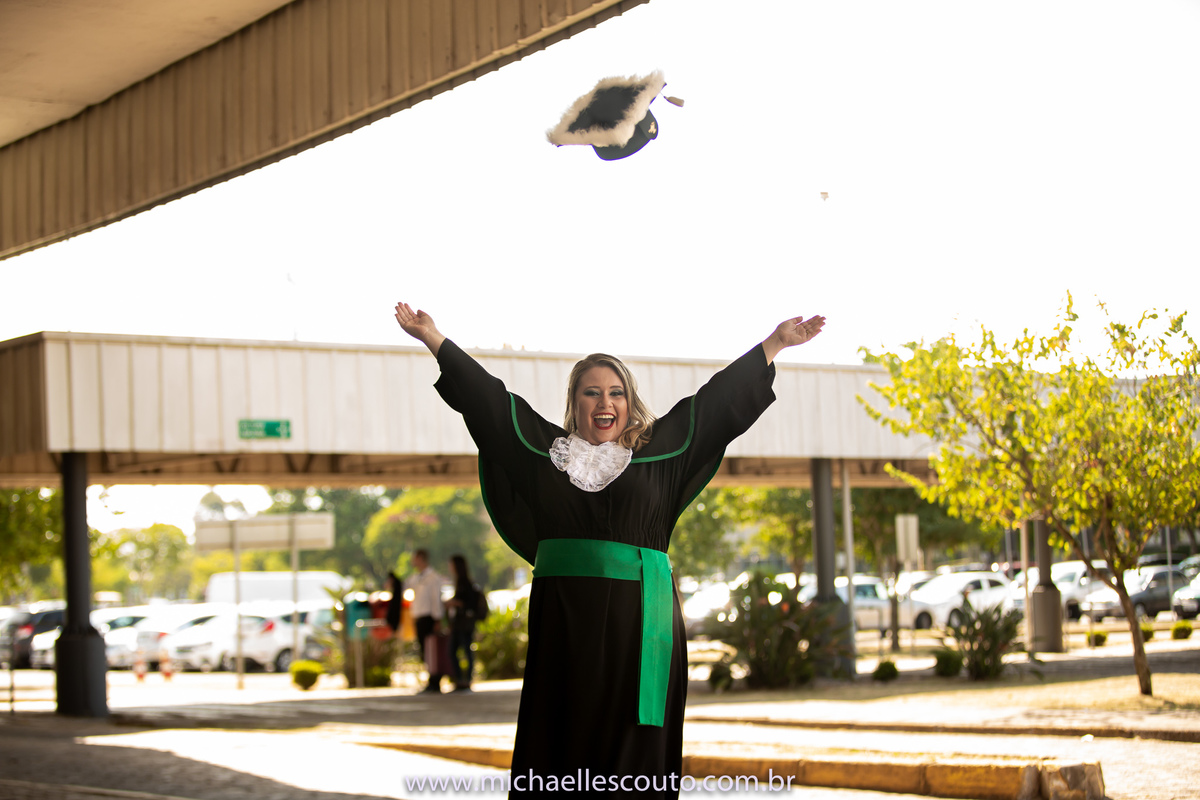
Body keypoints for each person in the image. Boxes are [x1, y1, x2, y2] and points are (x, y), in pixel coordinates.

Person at [394, 301, 825, 797]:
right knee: (562, 746)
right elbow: (491, 403)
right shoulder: (543, 454)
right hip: (565, 626)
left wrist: (773, 345)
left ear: (629, 401)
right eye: (592, 392)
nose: (606, 402)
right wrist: (434, 339)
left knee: (633, 756)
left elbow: (714, 405)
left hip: (641, 625)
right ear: (575, 403)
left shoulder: (661, 453)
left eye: (616, 393)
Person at [409, 549, 446, 694]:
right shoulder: (415, 577)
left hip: (429, 618)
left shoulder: (433, 577)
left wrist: (438, 619)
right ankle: (431, 679)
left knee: (432, 651)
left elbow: (435, 599)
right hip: (419, 617)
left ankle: (435, 680)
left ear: (421, 558)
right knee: (425, 651)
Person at [445, 554, 481, 692]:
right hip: (458, 624)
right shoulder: (459, 582)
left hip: (464, 624)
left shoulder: (465, 583)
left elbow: (469, 603)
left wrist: (455, 603)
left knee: (465, 650)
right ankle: (461, 680)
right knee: (455, 651)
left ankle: (465, 680)